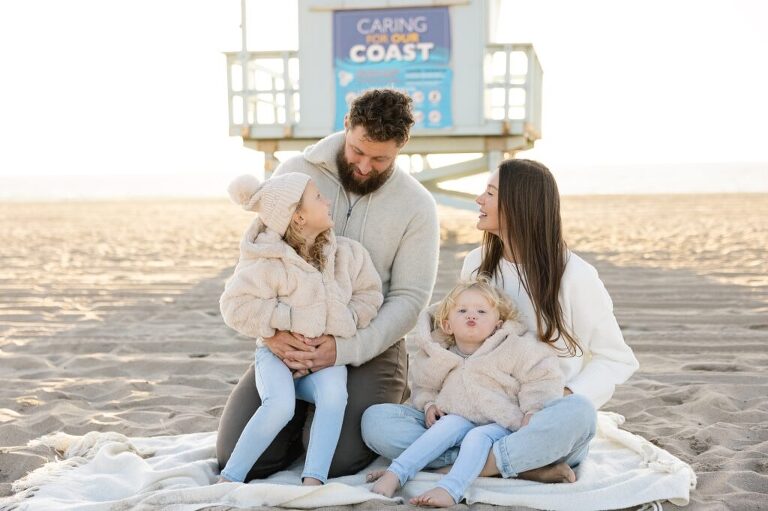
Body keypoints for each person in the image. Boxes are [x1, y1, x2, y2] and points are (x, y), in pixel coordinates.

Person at [362, 158, 639, 487]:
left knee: (578, 414)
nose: (478, 200)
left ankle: (468, 465)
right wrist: (434, 402)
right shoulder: (477, 265)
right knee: (377, 422)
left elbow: (616, 358)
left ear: (518, 204)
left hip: (537, 419)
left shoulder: (576, 276)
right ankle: (515, 464)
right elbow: (456, 341)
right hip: (474, 415)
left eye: (490, 193)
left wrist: (561, 395)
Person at [216, 88, 441, 481]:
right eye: (358, 151)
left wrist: (344, 348)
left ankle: (373, 396)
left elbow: (409, 298)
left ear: (400, 149)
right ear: (346, 126)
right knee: (241, 457)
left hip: (368, 339)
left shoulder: (417, 205)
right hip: (291, 337)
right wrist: (272, 334)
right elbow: (262, 258)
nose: (366, 166)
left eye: (380, 158)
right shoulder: (295, 173)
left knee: (336, 461)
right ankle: (300, 410)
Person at [217, 172, 383, 485]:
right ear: (298, 217)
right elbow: (235, 306)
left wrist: (344, 322)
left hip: (324, 356)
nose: (328, 200)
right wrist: (287, 320)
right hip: (276, 358)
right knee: (280, 404)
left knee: (335, 396)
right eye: (318, 197)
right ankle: (230, 477)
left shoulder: (348, 255)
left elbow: (370, 294)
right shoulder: (269, 263)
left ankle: (313, 480)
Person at [368, 278, 564, 507]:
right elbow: (424, 385)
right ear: (448, 324)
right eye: (462, 311)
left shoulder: (512, 347)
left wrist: (533, 409)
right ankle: (396, 473)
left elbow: (540, 376)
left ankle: (450, 488)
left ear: (498, 324)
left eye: (482, 311)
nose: (472, 316)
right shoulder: (439, 353)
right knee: (441, 424)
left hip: (501, 425)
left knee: (476, 436)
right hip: (456, 421)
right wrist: (429, 404)